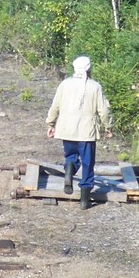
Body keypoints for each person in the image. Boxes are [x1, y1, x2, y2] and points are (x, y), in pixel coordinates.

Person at [46, 55, 110, 208]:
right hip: (86, 132)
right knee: (88, 164)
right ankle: (84, 200)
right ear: (89, 69)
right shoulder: (95, 86)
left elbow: (55, 106)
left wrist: (51, 123)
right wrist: (108, 127)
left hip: (67, 129)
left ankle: (69, 170)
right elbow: (104, 110)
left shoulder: (65, 84)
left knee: (71, 156)